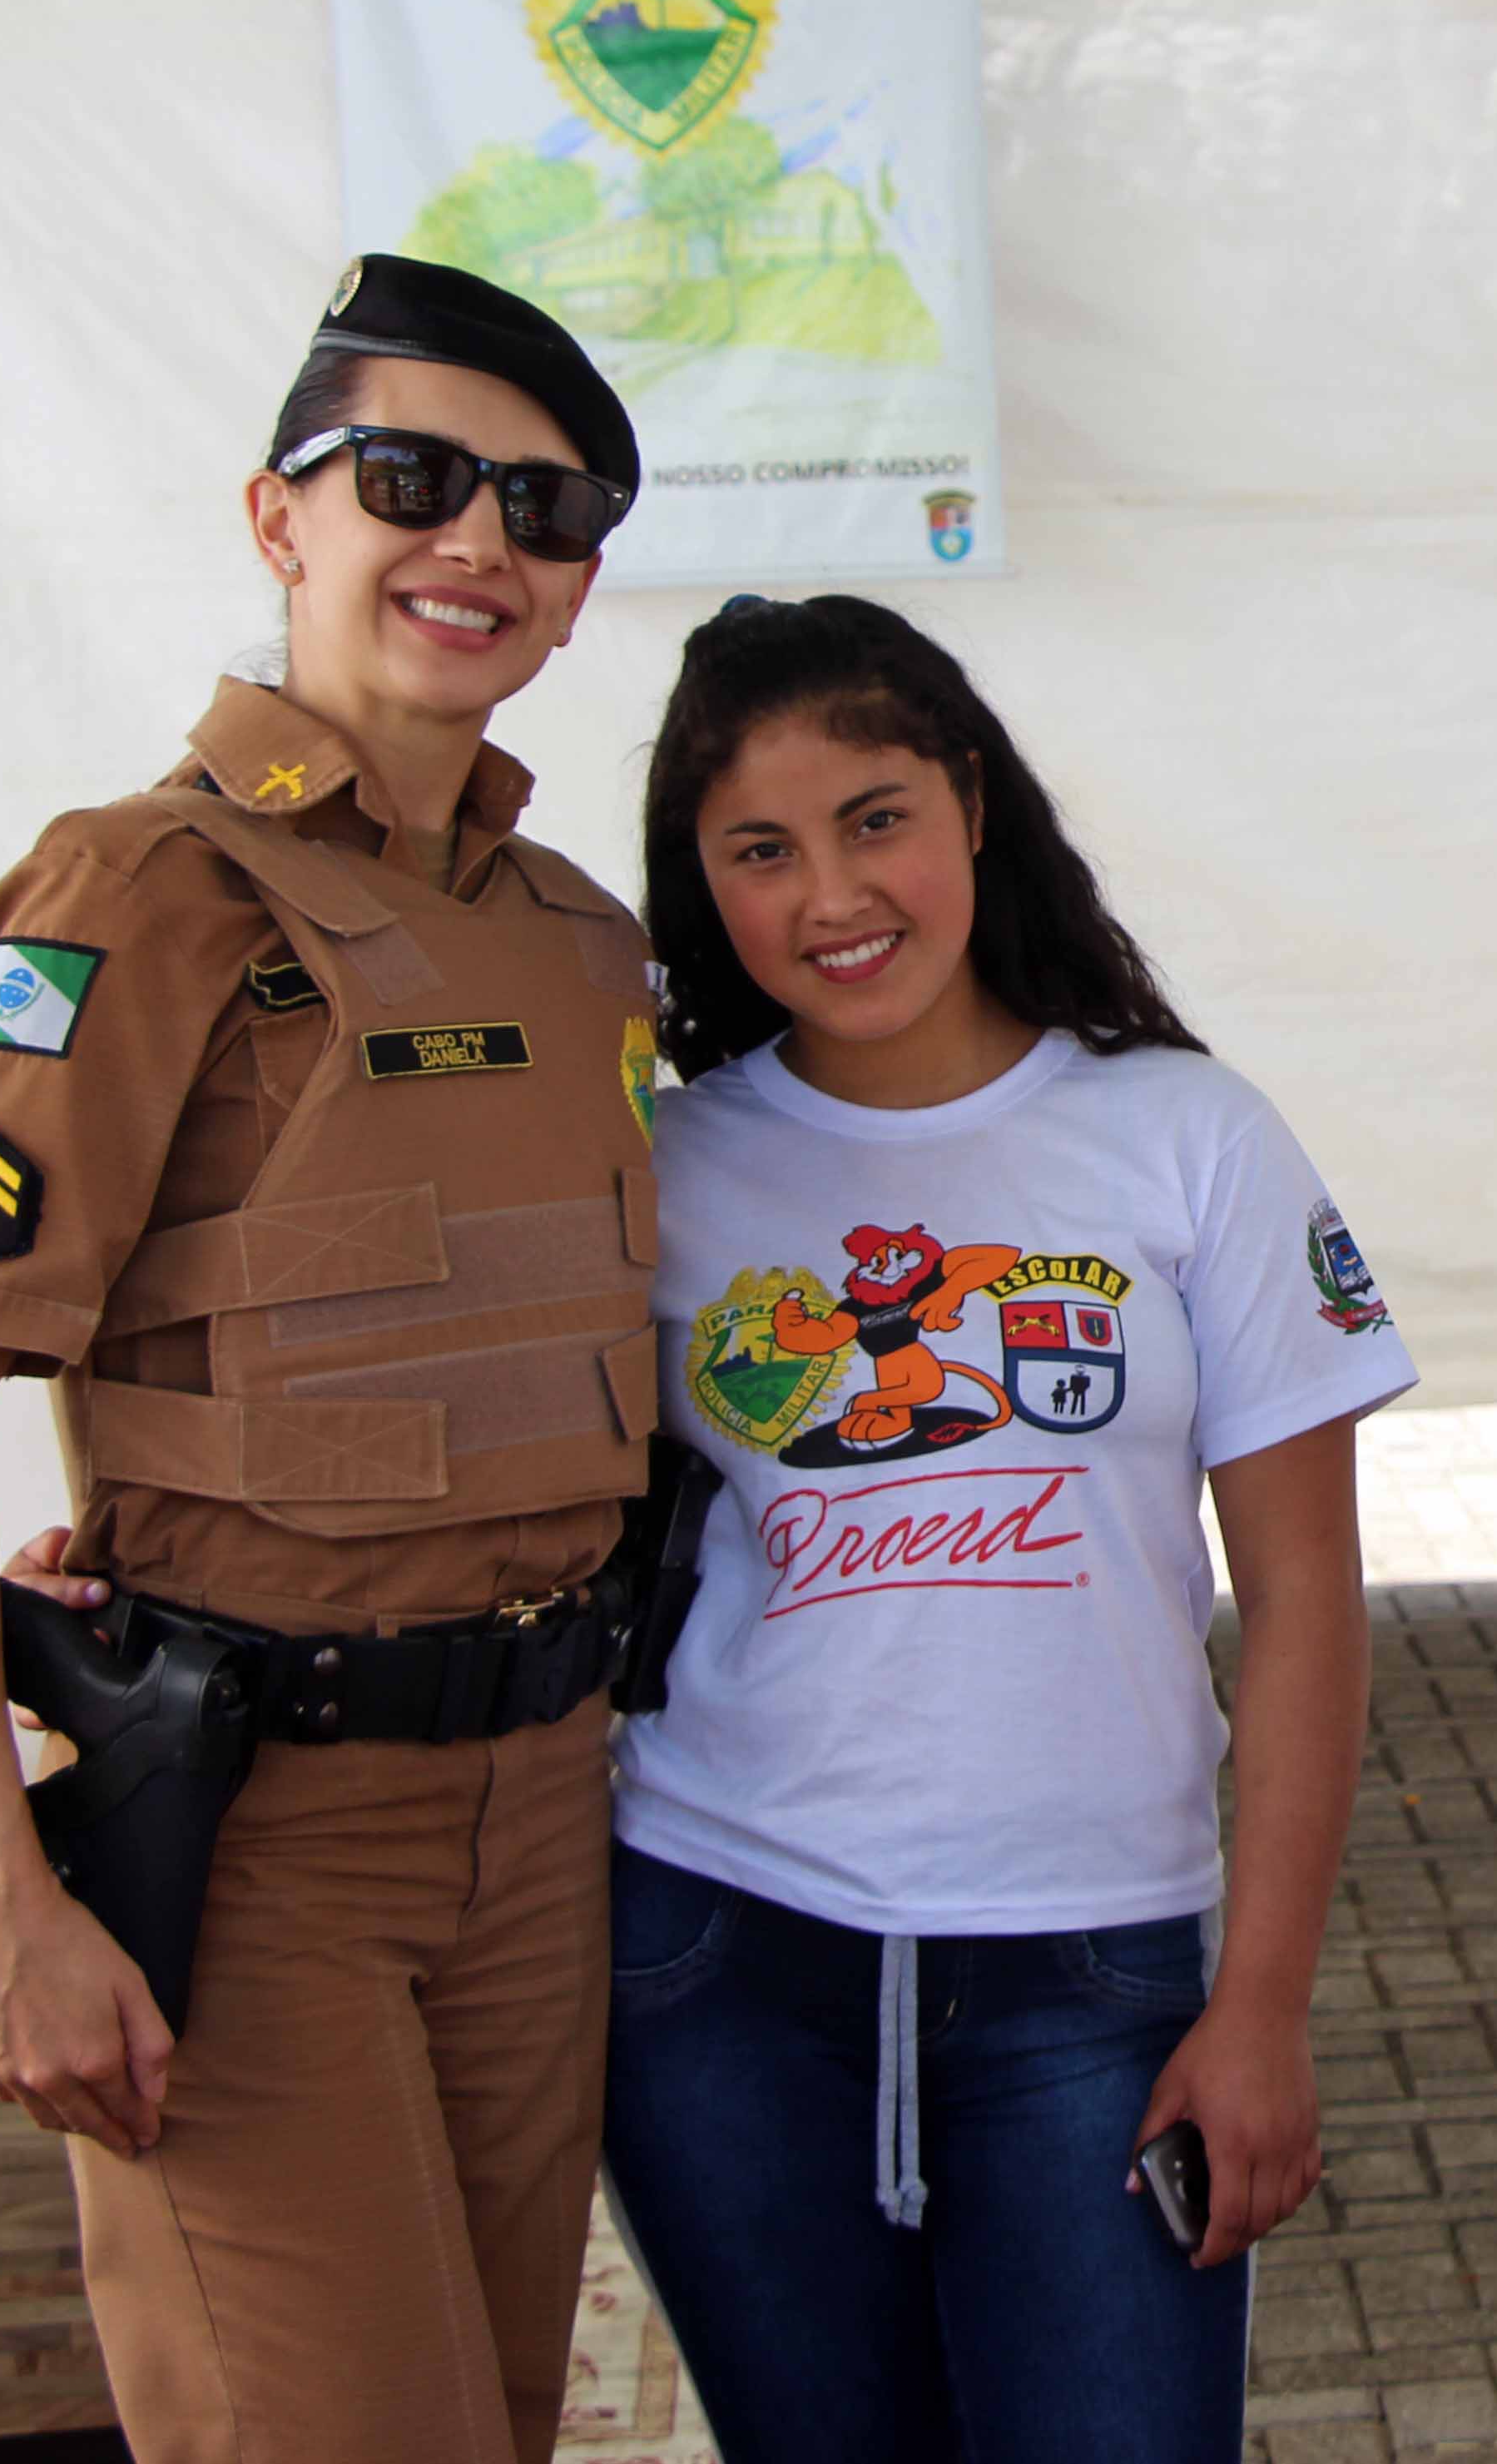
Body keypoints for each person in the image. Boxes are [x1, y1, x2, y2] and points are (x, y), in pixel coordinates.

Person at [0, 255, 653, 2463]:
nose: (478, 540)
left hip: (545, 1808)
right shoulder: (134, 896)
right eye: (411, 477)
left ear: (580, 593)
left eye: (547, 509)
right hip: (264, 1841)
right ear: (279, 518)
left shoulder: (582, 943)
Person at [596, 593, 1408, 2463]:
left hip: (1093, 1975)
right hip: (721, 1966)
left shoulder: (1186, 1134)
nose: (830, 892)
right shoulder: (663, 1165)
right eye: (760, 849)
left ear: (969, 799)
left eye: (874, 815)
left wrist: (1262, 1998)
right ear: (699, 881)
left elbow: (1302, 1596)